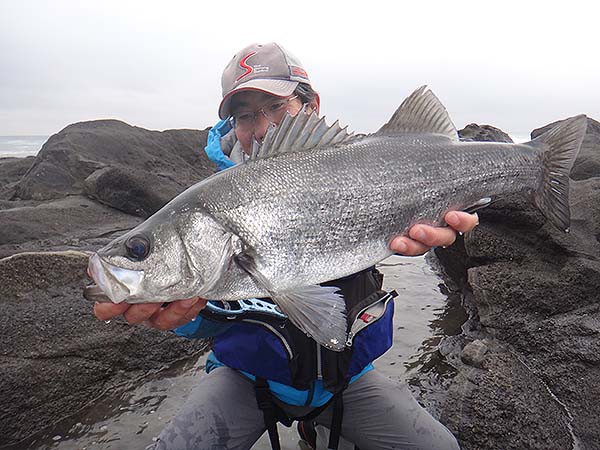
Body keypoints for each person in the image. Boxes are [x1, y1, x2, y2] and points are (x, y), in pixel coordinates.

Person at [95, 42, 478, 450]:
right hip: (247, 378)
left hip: (344, 381)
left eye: (275, 107)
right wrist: (176, 312)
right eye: (244, 115)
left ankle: (320, 432)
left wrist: (436, 236)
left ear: (310, 105)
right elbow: (204, 312)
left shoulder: (363, 169)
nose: (259, 127)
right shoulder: (209, 203)